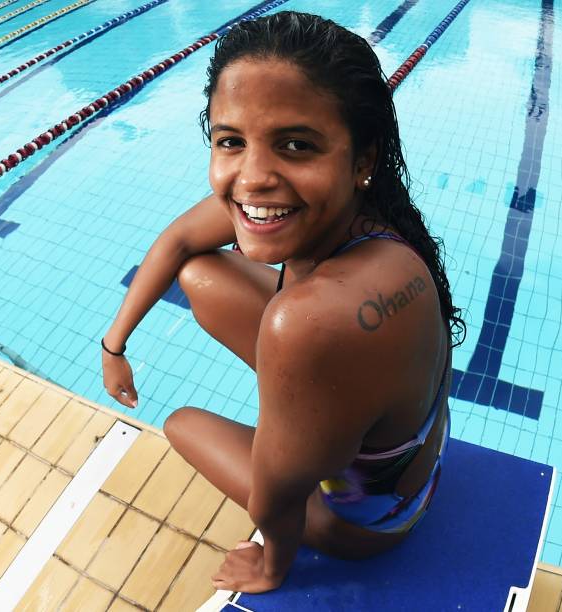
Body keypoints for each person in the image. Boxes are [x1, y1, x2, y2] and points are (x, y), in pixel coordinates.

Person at [101, 11, 465, 594]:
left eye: (296, 145)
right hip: (414, 458)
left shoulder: (312, 322)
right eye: (232, 142)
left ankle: (303, 421)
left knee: (181, 423)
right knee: (199, 271)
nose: (253, 179)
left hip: (371, 522)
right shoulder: (365, 220)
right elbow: (177, 241)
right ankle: (309, 406)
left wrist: (271, 567)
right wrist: (113, 344)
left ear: (363, 159)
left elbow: (277, 495)